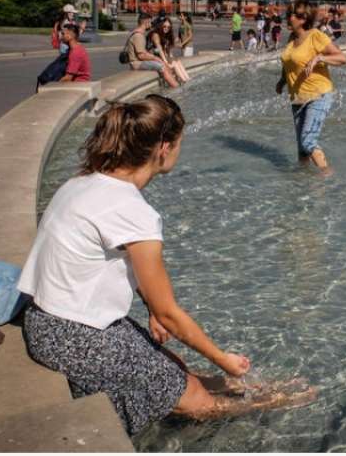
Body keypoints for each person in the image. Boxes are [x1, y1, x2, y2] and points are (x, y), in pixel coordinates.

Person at [19, 94, 316, 436]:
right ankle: (275, 401)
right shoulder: (132, 211)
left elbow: (119, 270)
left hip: (46, 321)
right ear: (163, 147)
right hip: (75, 337)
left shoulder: (83, 182)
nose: (178, 151)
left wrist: (151, 308)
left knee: (174, 365)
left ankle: (227, 385)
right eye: (178, 144)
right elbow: (171, 314)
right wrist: (224, 359)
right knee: (197, 403)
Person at [275, 0, 346, 173]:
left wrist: (320, 58)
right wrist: (282, 80)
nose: (288, 17)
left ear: (302, 19)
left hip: (318, 95)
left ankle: (328, 177)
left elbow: (342, 58)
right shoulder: (292, 40)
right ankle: (303, 184)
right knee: (302, 149)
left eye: (292, 14)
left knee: (308, 141)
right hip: (298, 97)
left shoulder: (315, 35)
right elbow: (289, 63)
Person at [124, 13, 179, 89]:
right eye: (150, 22)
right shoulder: (138, 36)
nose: (150, 24)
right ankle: (176, 87)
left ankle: (172, 85)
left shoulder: (138, 34)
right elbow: (141, 55)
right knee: (161, 66)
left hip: (138, 62)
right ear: (146, 22)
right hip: (136, 63)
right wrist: (156, 59)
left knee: (162, 64)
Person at [149, 17, 190, 83]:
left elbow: (168, 51)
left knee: (177, 61)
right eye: (164, 26)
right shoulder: (155, 34)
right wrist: (166, 62)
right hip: (152, 58)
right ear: (161, 25)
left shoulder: (165, 35)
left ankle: (187, 79)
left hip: (159, 57)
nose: (166, 28)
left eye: (168, 27)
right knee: (174, 64)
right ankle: (184, 81)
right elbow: (159, 49)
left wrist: (172, 58)